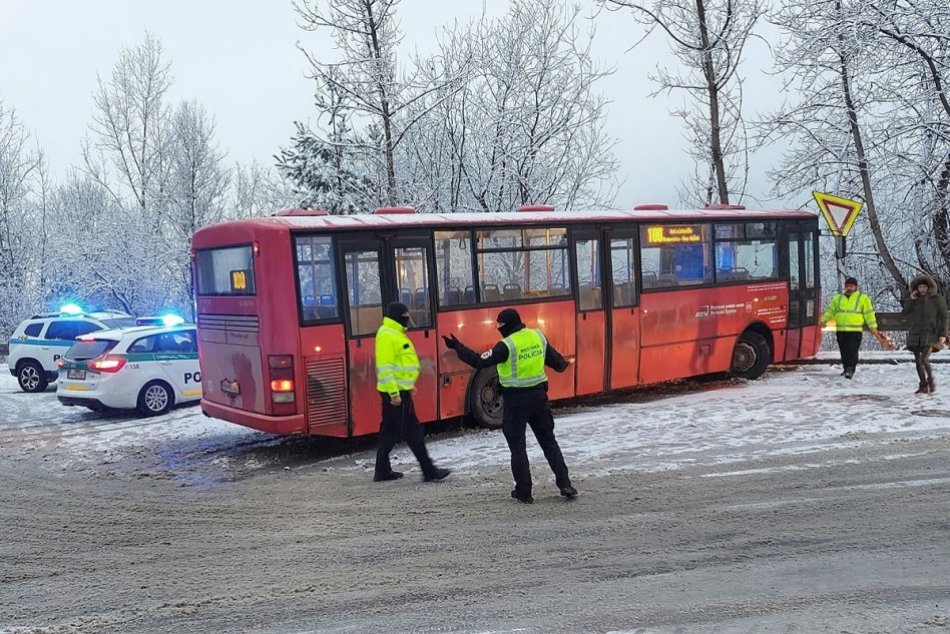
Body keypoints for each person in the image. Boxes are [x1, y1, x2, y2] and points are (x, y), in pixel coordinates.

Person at [442, 308, 577, 504]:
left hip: (516, 402)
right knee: (549, 442)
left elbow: (479, 361)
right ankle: (565, 484)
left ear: (506, 326)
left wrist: (457, 346)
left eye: (500, 327)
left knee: (518, 447)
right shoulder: (537, 336)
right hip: (539, 399)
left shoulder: (506, 346)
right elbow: (557, 363)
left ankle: (524, 492)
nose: (499, 330)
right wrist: (565, 365)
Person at [373, 302, 451, 483]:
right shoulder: (387, 335)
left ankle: (383, 470)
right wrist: (394, 394)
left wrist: (408, 385)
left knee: (393, 431)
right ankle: (428, 470)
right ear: (397, 316)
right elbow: (385, 368)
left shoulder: (393, 332)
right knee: (408, 432)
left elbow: (400, 364)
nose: (408, 319)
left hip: (401, 391)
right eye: (405, 316)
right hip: (396, 394)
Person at [819, 276, 882, 379]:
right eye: (847, 286)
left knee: (852, 351)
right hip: (841, 330)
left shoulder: (863, 298)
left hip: (855, 330)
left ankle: (850, 369)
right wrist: (823, 320)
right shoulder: (838, 298)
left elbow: (869, 314)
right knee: (843, 351)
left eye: (851, 286)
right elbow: (830, 311)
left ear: (856, 287)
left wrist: (872, 327)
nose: (849, 288)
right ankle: (846, 368)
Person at [901, 274, 949, 395]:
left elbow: (944, 317)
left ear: (929, 287)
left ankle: (931, 380)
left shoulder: (937, 299)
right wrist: (911, 300)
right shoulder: (914, 299)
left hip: (931, 333)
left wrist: (943, 334)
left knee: (924, 359)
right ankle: (923, 384)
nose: (922, 289)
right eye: (920, 287)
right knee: (918, 361)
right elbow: (905, 312)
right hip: (916, 333)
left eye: (924, 287)